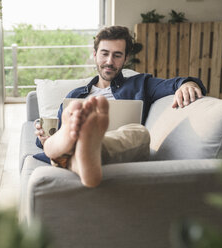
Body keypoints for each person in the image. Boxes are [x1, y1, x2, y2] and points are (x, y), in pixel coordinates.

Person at [34, 26, 206, 188]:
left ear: (125, 58)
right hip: (75, 145)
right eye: (104, 54)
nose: (109, 61)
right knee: (64, 131)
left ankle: (80, 150)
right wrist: (44, 139)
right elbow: (52, 132)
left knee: (139, 132)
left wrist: (187, 84)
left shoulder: (141, 83)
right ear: (95, 55)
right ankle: (76, 148)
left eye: (117, 55)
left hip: (120, 148)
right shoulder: (75, 96)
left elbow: (175, 83)